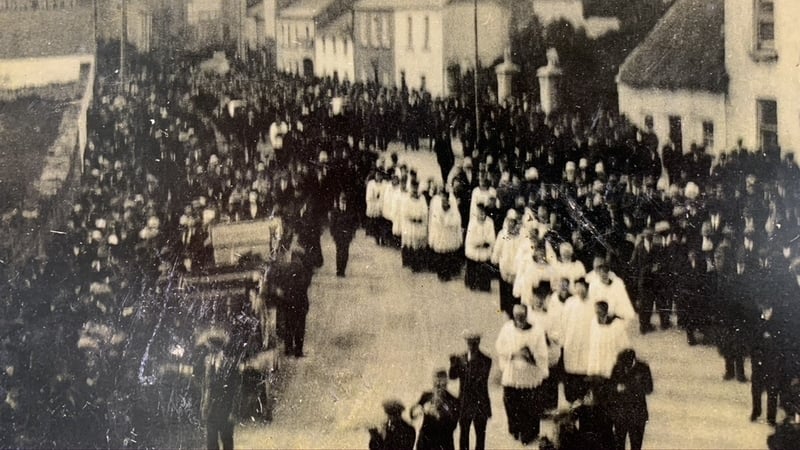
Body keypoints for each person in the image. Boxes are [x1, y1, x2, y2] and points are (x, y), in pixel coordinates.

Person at [495, 304, 550, 445]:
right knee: (511, 402)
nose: (519, 318)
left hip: (529, 374)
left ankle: (529, 433)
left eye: (522, 315)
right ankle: (515, 429)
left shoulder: (537, 331)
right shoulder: (507, 328)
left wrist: (530, 355)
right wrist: (513, 353)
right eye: (516, 315)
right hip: (512, 374)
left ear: (526, 315)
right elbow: (499, 346)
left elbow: (543, 353)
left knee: (530, 405)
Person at [449, 331, 492, 450]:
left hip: (480, 403)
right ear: (467, 343)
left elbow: (479, 379)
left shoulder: (486, 360)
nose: (472, 346)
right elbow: (452, 377)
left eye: (474, 343)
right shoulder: (461, 359)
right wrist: (452, 365)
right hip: (465, 403)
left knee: (480, 436)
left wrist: (465, 364)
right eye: (470, 343)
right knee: (464, 435)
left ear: (478, 343)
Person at [605, 349, 653, 450]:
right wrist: (616, 387)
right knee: (619, 446)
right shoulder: (617, 368)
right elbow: (610, 386)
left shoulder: (643, 369)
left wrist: (628, 387)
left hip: (637, 415)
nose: (625, 367)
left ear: (633, 360)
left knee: (636, 446)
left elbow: (649, 389)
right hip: (620, 415)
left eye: (627, 365)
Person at [201, 333, 240, 450]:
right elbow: (207, 386)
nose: (210, 352)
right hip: (211, 409)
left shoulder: (231, 365)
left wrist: (233, 412)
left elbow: (236, 390)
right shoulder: (208, 363)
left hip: (226, 409)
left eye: (211, 349)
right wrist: (204, 405)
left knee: (227, 441)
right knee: (211, 443)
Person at [411, 369, 460, 450]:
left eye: (441, 384)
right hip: (425, 443)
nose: (438, 386)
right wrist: (423, 409)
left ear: (446, 382)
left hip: (443, 444)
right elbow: (413, 414)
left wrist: (442, 411)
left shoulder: (453, 400)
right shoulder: (426, 396)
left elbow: (453, 424)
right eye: (436, 383)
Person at [586, 301, 630, 378]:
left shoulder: (616, 324)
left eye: (599, 311)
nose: (597, 314)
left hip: (611, 354)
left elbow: (623, 343)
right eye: (596, 311)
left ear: (605, 310)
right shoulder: (594, 322)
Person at [464, 204, 496, 292]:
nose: (481, 215)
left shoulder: (489, 222)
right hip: (473, 248)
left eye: (483, 213)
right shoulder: (472, 222)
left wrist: (485, 242)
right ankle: (472, 283)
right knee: (472, 265)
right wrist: (478, 242)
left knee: (484, 267)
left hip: (485, 249)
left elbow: (491, 237)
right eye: (479, 212)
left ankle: (484, 285)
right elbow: (470, 237)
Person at [329, 192, 358, 277]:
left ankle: (343, 269)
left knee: (345, 252)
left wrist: (352, 233)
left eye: (344, 199)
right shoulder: (335, 210)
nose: (343, 201)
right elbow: (332, 224)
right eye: (342, 199)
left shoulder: (350, 210)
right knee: (339, 251)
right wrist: (333, 234)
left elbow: (354, 222)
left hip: (347, 235)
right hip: (338, 235)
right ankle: (339, 270)